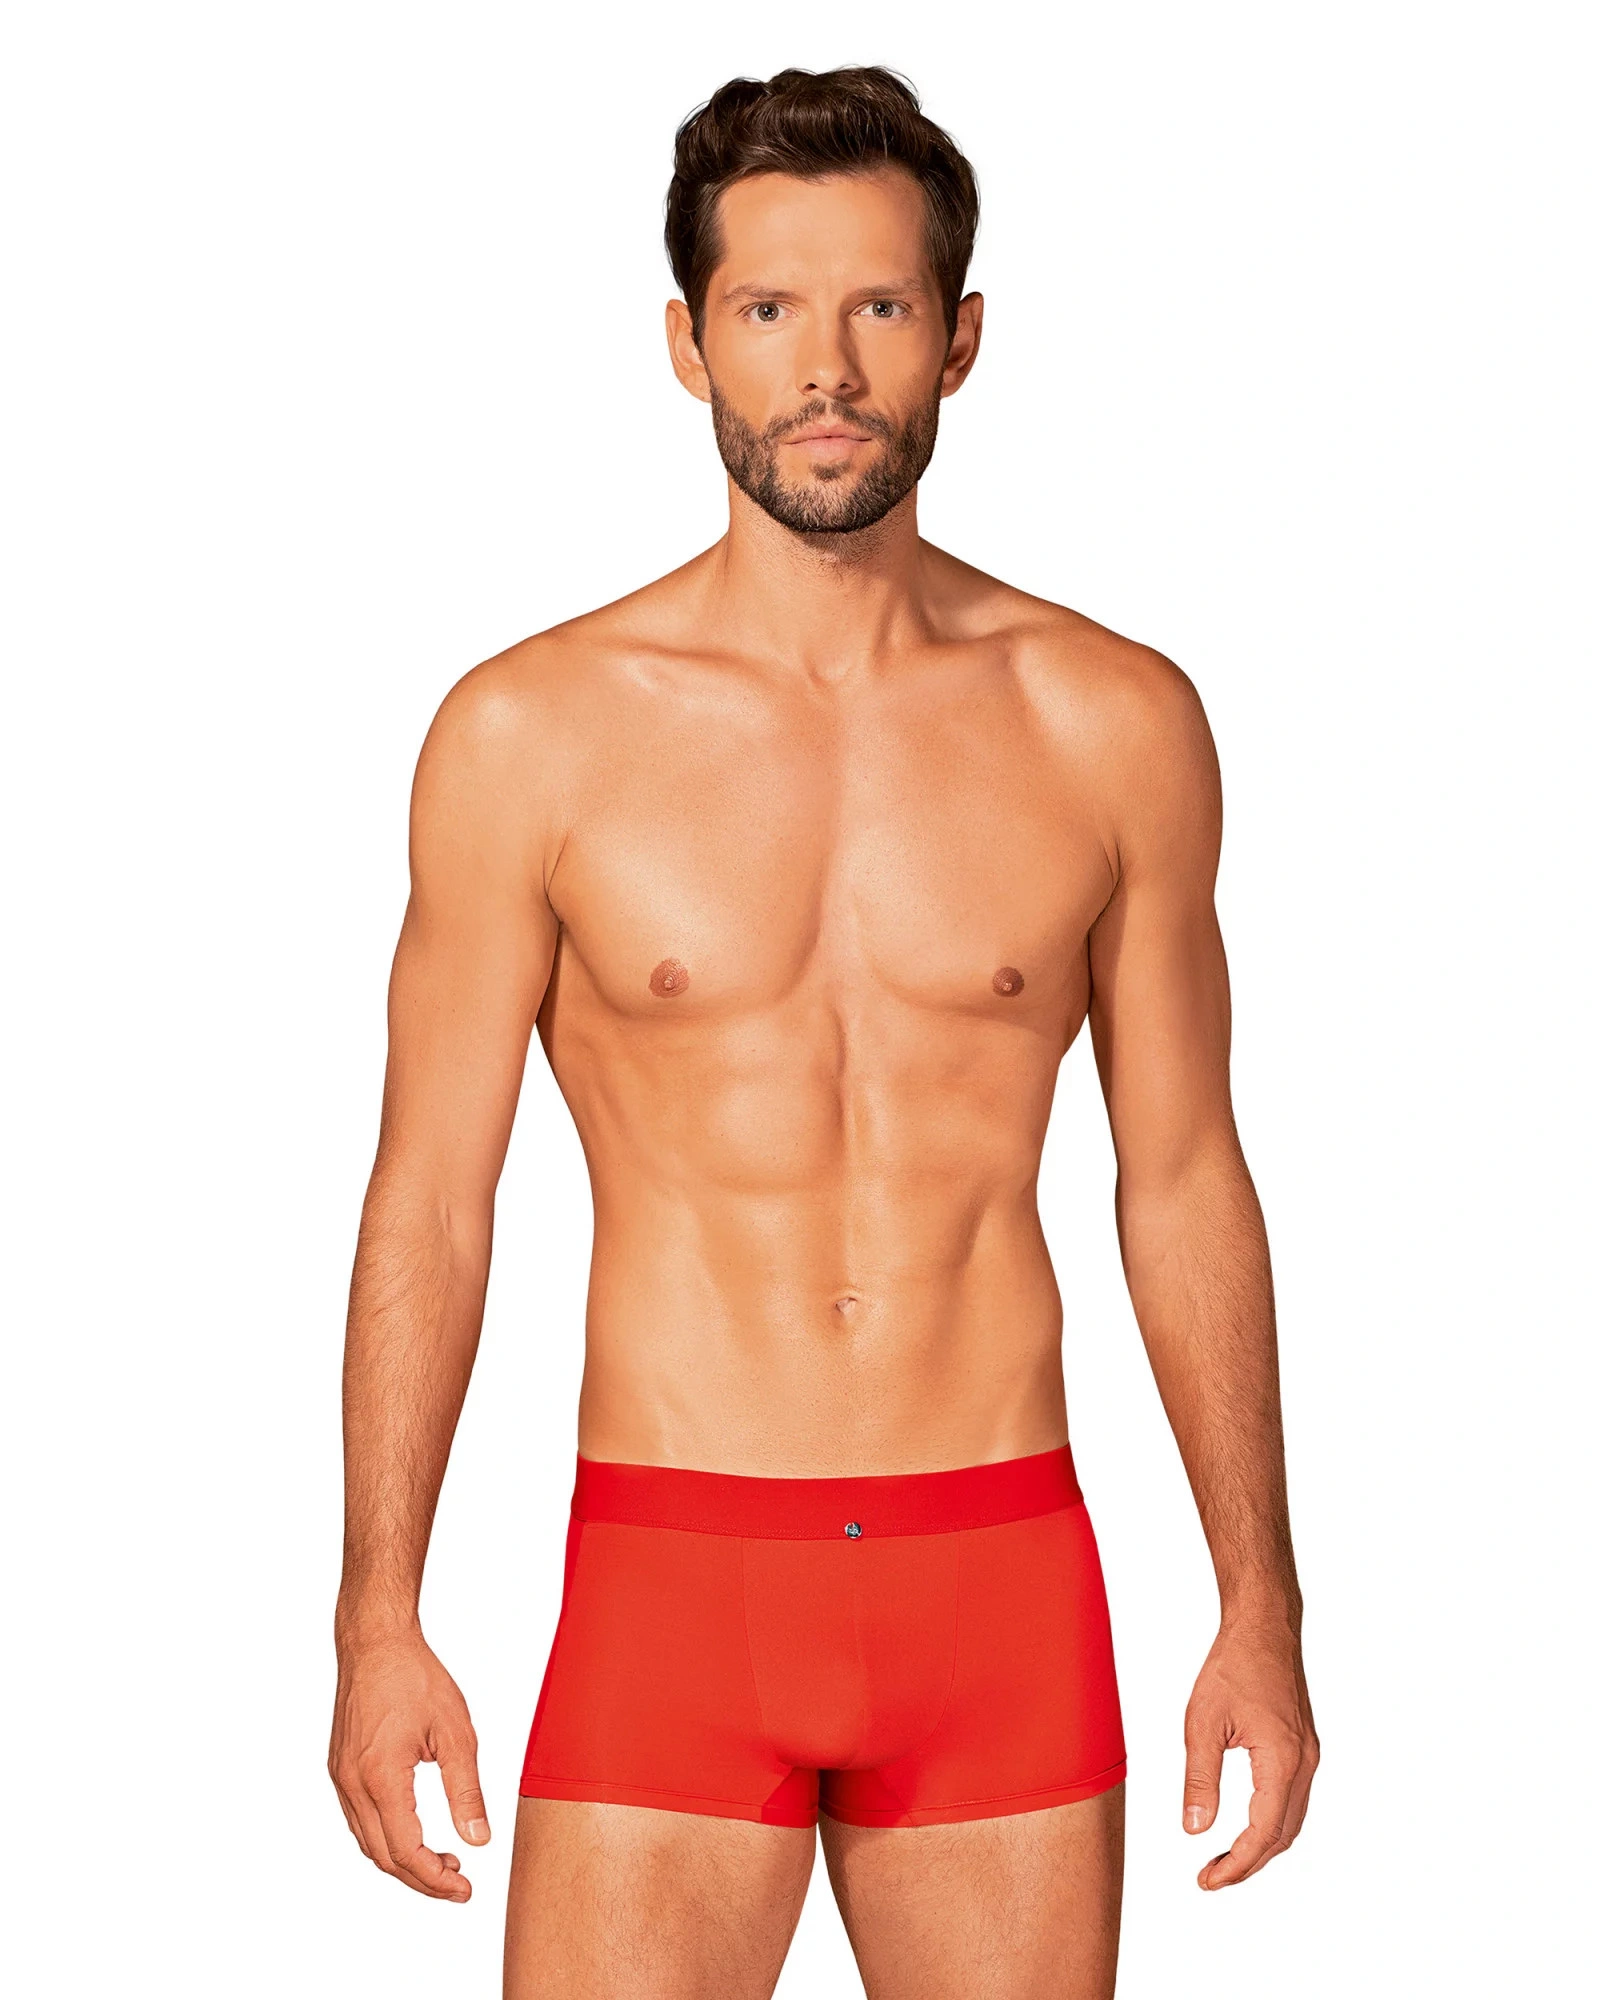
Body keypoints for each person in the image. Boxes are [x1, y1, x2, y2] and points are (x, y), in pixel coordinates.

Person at [328, 64, 1318, 1999]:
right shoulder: (529, 737)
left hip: (999, 1575)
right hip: (673, 1573)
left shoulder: (1113, 723)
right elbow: (430, 1198)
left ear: (961, 336)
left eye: (879, 305)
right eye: (770, 308)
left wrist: (1260, 1606)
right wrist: (377, 1618)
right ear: (688, 343)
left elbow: (1186, 1176)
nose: (828, 367)